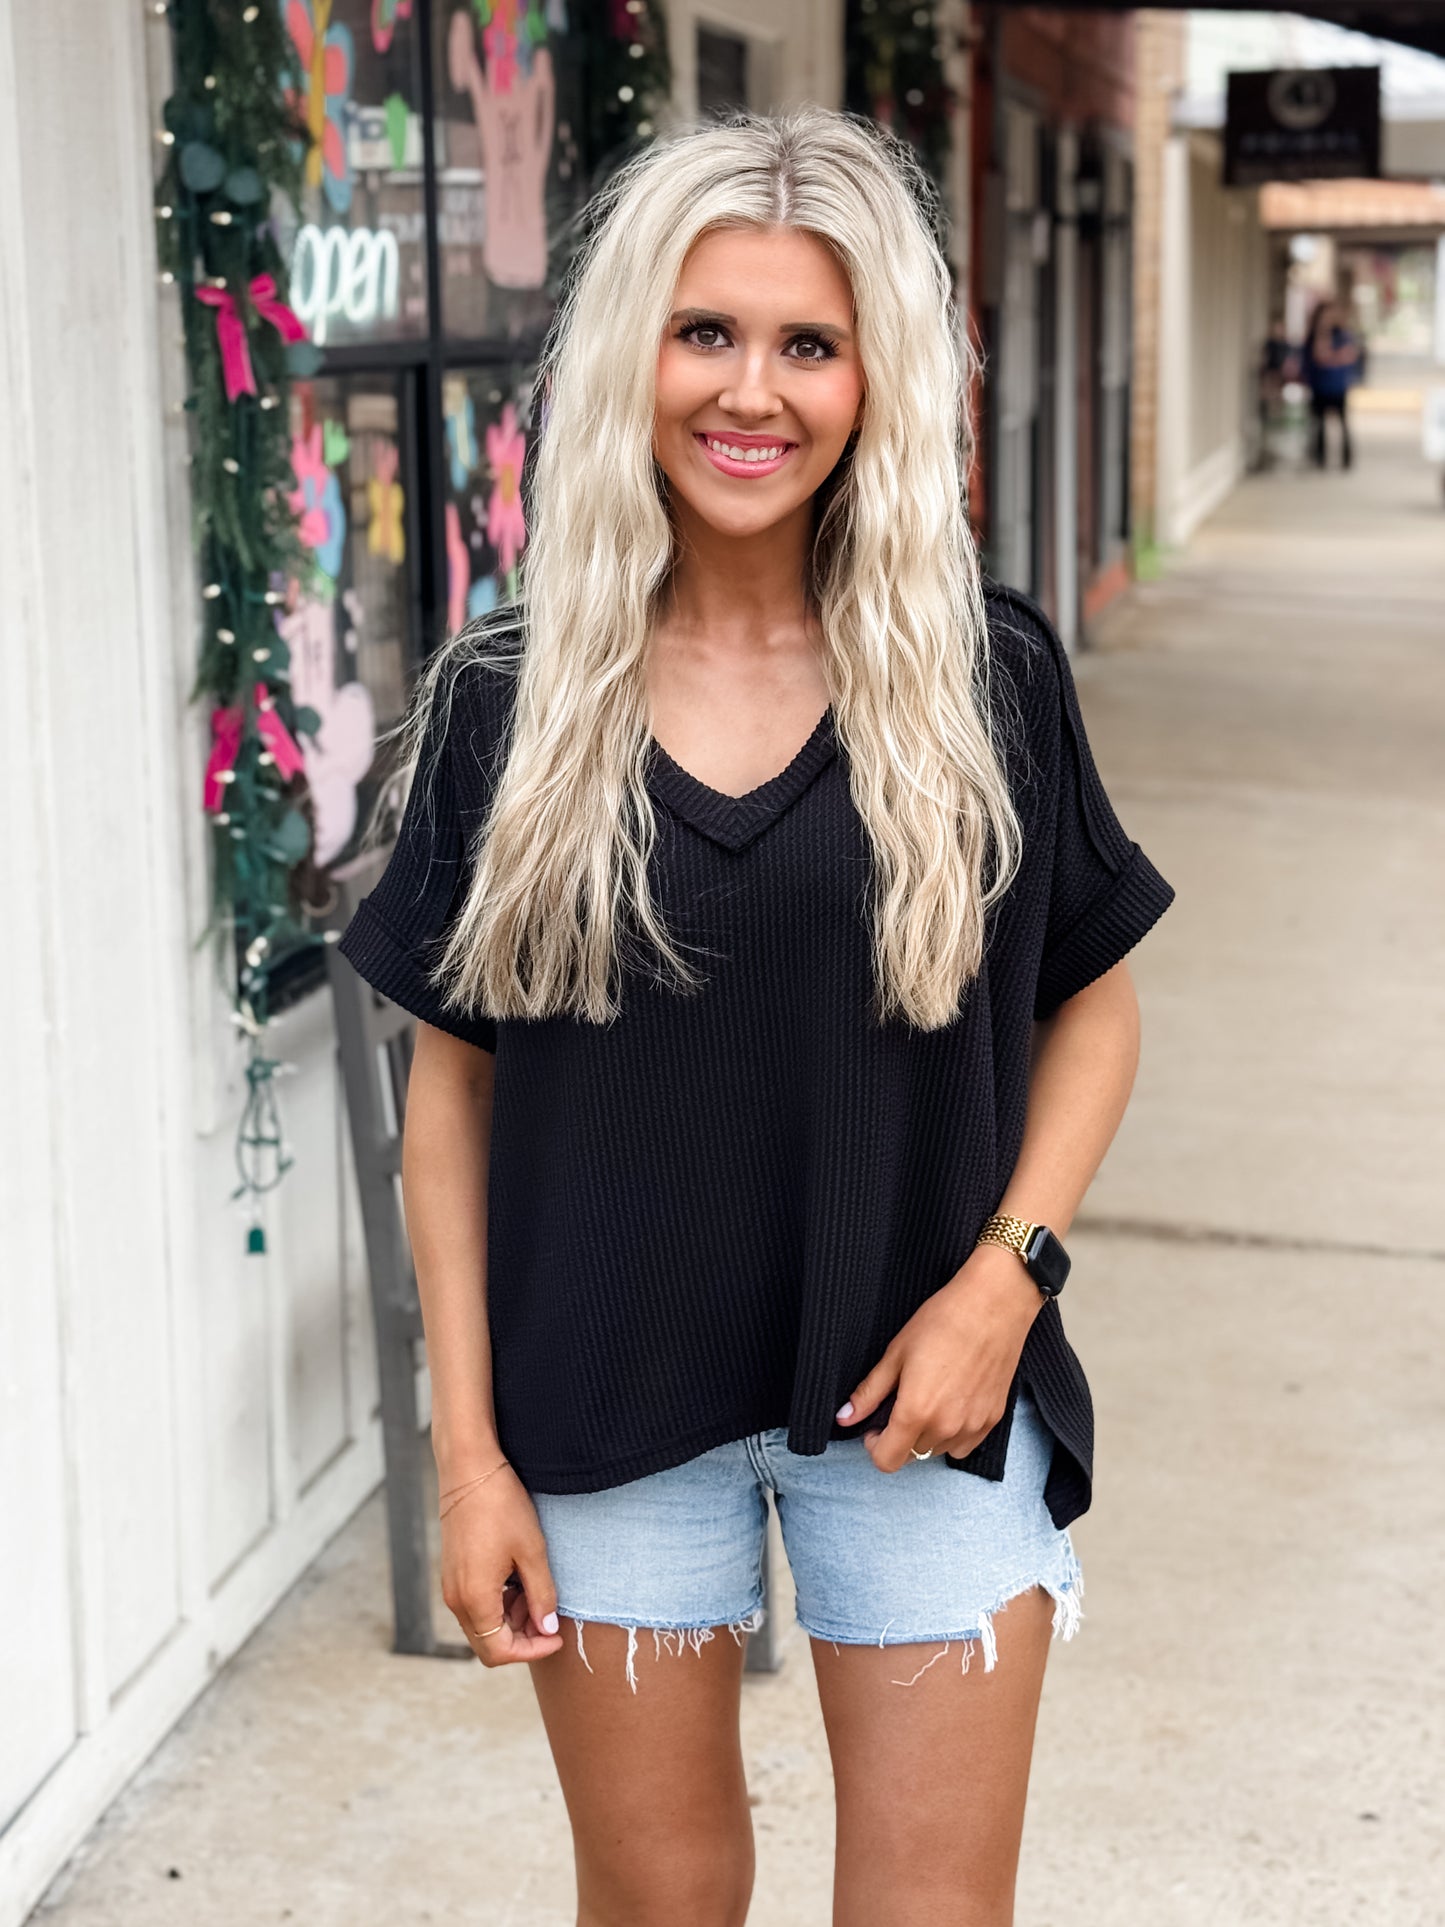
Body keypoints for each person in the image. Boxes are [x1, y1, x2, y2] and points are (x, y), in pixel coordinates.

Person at [339, 107, 1174, 1926]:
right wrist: (468, 1462)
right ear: (629, 352)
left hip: (925, 1403)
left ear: (877, 381)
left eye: (810, 343)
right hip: (601, 1409)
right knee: (661, 1903)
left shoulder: (982, 678)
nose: (751, 391)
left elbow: (1095, 1011)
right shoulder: (510, 703)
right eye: (705, 331)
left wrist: (1006, 1279)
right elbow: (451, 1107)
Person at [1301, 296, 1363, 470]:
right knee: (1319, 424)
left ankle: (1346, 459)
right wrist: (1324, 334)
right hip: (1319, 385)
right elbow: (1319, 356)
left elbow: (1348, 355)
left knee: (1343, 423)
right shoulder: (1315, 336)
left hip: (1338, 386)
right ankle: (1319, 459)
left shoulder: (1343, 335)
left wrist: (1331, 358)